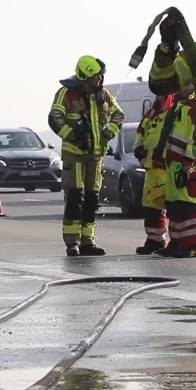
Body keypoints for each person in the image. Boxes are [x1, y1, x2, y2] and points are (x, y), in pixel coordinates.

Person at [48, 55, 124, 257]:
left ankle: (87, 241)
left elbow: (119, 115)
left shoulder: (104, 95)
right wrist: (73, 136)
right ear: (85, 76)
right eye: (96, 76)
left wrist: (109, 133)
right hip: (75, 156)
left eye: (101, 76)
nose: (100, 80)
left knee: (92, 198)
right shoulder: (67, 93)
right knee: (74, 197)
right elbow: (54, 118)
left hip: (96, 157)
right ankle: (72, 242)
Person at [147, 13, 196, 258]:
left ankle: (188, 244)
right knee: (178, 204)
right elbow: (160, 82)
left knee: (187, 204)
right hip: (182, 163)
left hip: (187, 162)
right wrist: (168, 45)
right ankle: (181, 242)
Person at [133, 94, 174, 255]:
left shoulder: (175, 110)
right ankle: (154, 240)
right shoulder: (151, 113)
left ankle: (176, 241)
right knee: (151, 207)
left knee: (173, 207)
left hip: (168, 168)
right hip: (151, 169)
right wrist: (140, 154)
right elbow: (140, 135)